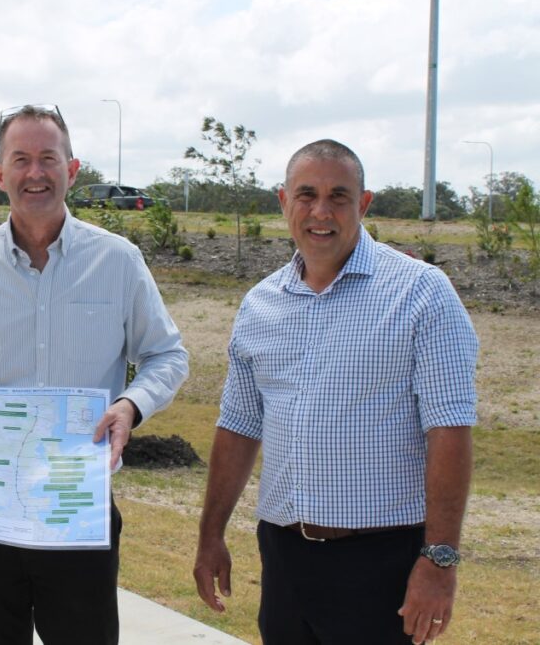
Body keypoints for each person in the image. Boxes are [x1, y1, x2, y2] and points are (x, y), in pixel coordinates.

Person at [0, 104, 189, 644]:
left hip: (77, 510)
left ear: (72, 170)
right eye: (21, 159)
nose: (35, 173)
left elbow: (167, 355)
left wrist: (130, 405)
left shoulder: (118, 261)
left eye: (48, 158)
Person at [192, 139, 477, 645]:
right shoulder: (260, 305)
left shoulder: (420, 293)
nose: (320, 212)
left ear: (364, 204)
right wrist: (210, 534)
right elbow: (238, 427)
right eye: (306, 194)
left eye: (339, 196)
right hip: (284, 557)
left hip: (380, 562)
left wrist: (440, 559)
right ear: (283, 202)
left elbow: (449, 430)